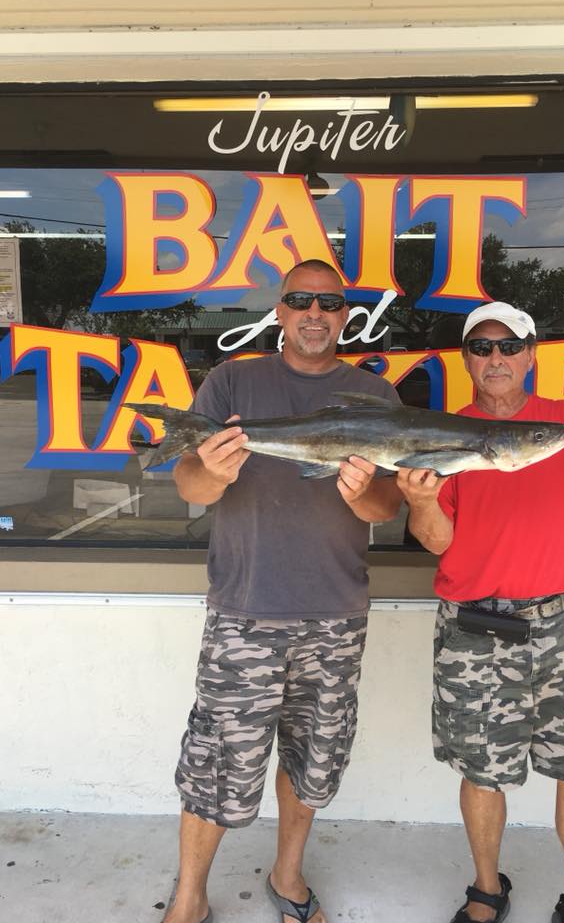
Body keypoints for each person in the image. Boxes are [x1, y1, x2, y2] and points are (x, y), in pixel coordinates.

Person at [395, 301, 564, 923]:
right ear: (467, 361)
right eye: (481, 349)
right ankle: (487, 889)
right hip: (473, 627)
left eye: (509, 346)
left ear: (531, 354)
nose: (496, 359)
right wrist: (418, 500)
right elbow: (436, 541)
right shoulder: (445, 431)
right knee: (482, 770)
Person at [164, 259, 402, 923]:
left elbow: (387, 508)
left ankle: (289, 877)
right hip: (245, 613)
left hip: (335, 615)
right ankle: (188, 898)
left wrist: (366, 495)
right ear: (280, 311)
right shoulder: (232, 380)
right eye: (301, 300)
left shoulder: (373, 397)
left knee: (313, 758)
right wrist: (211, 470)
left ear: (346, 316)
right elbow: (189, 487)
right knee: (218, 761)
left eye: (329, 302)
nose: (315, 312)